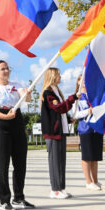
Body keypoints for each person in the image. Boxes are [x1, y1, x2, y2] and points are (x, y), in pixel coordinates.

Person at [0, 60, 34, 210]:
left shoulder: (16, 85)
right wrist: (4, 117)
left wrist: (28, 94)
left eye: (7, 68)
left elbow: (27, 99)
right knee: (2, 164)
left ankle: (19, 197)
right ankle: (4, 200)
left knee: (20, 163)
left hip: (17, 123)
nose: (6, 71)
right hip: (1, 125)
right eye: (2, 69)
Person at [40, 67, 75, 199]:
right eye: (58, 74)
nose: (60, 77)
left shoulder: (56, 92)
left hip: (61, 131)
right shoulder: (48, 93)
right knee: (55, 161)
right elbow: (57, 108)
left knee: (61, 161)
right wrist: (72, 98)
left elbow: (60, 111)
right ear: (52, 76)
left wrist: (68, 119)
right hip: (53, 132)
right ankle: (55, 189)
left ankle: (60, 187)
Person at [74, 76, 105, 191]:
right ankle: (88, 181)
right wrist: (88, 111)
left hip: (96, 128)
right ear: (78, 82)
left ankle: (95, 181)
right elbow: (75, 114)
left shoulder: (93, 95)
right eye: (81, 80)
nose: (84, 82)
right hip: (85, 129)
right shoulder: (77, 97)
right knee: (87, 156)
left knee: (95, 157)